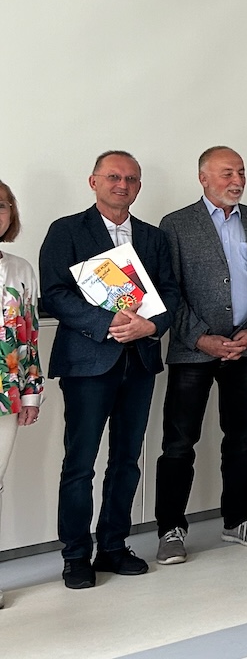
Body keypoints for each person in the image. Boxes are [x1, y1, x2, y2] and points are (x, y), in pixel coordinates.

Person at [39, 153, 178, 590]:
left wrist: (151, 325)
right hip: (87, 362)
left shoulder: (154, 237)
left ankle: (114, 546)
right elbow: (54, 293)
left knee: (126, 460)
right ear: (93, 181)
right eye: (114, 177)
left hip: (140, 361)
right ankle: (75, 555)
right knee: (80, 464)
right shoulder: (66, 230)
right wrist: (108, 322)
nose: (123, 184)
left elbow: (170, 292)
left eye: (131, 179)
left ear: (139, 186)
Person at [155, 146, 247, 565]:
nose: (237, 180)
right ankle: (170, 529)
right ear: (203, 178)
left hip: (246, 348)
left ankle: (238, 520)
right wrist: (200, 338)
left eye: (241, 172)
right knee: (179, 442)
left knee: (242, 439)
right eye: (227, 173)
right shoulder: (176, 224)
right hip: (193, 351)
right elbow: (169, 291)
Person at [0, 180, 43, 604]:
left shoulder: (21, 269)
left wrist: (31, 394)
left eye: (2, 205)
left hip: (6, 395)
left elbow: (29, 337)